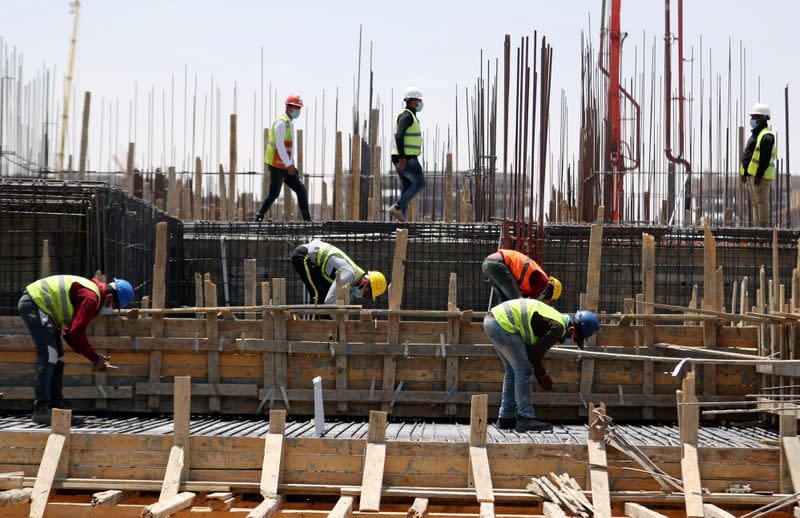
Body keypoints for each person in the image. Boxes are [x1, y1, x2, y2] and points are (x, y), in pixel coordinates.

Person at [18, 275, 134, 425]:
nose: (111, 309)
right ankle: (41, 410)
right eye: (114, 305)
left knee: (58, 360)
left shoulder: (94, 297)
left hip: (43, 308)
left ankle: (57, 412)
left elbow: (69, 334)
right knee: (49, 357)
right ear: (110, 297)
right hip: (35, 302)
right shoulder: (91, 299)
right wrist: (94, 358)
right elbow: (75, 333)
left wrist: (94, 356)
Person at [483, 298, 599, 432]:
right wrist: (542, 375)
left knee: (513, 370)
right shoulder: (558, 327)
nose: (571, 341)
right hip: (501, 324)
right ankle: (525, 418)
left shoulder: (555, 319)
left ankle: (506, 418)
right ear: (572, 330)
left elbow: (533, 352)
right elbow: (533, 355)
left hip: (493, 321)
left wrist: (540, 374)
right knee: (524, 369)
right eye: (575, 339)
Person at [255, 94, 311, 222]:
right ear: (289, 108)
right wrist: (288, 165)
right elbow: (280, 146)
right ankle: (258, 217)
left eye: (300, 108)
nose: (299, 111)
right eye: (297, 108)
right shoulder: (281, 123)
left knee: (301, 190)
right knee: (274, 194)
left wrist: (291, 164)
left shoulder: (289, 123)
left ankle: (307, 220)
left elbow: (289, 148)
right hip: (277, 166)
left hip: (287, 166)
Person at [291, 239, 387, 305]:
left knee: (324, 294)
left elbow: (343, 305)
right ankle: (315, 331)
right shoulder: (349, 275)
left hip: (314, 263)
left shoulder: (349, 285)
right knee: (319, 295)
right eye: (366, 294)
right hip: (304, 255)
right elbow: (329, 301)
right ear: (365, 282)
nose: (362, 297)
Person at [387, 87, 426, 222]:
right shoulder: (407, 116)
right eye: (419, 100)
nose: (420, 103)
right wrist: (403, 157)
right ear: (412, 101)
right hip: (407, 158)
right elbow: (399, 136)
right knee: (420, 183)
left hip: (402, 157)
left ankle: (401, 220)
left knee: (407, 187)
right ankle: (397, 207)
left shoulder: (411, 116)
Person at [740, 103, 777, 227]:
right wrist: (744, 173)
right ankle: (757, 228)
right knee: (756, 204)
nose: (752, 120)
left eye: (755, 117)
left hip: (760, 178)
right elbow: (749, 155)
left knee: (762, 202)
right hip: (752, 176)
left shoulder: (766, 136)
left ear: (763, 119)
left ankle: (762, 228)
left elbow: (764, 159)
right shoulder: (756, 135)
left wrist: (759, 176)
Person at [482, 249, 562, 304]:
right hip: (498, 264)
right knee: (518, 303)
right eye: (546, 297)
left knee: (505, 301)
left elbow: (524, 296)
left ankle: (498, 324)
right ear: (549, 289)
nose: (543, 298)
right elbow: (529, 303)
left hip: (489, 264)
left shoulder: (532, 284)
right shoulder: (543, 281)